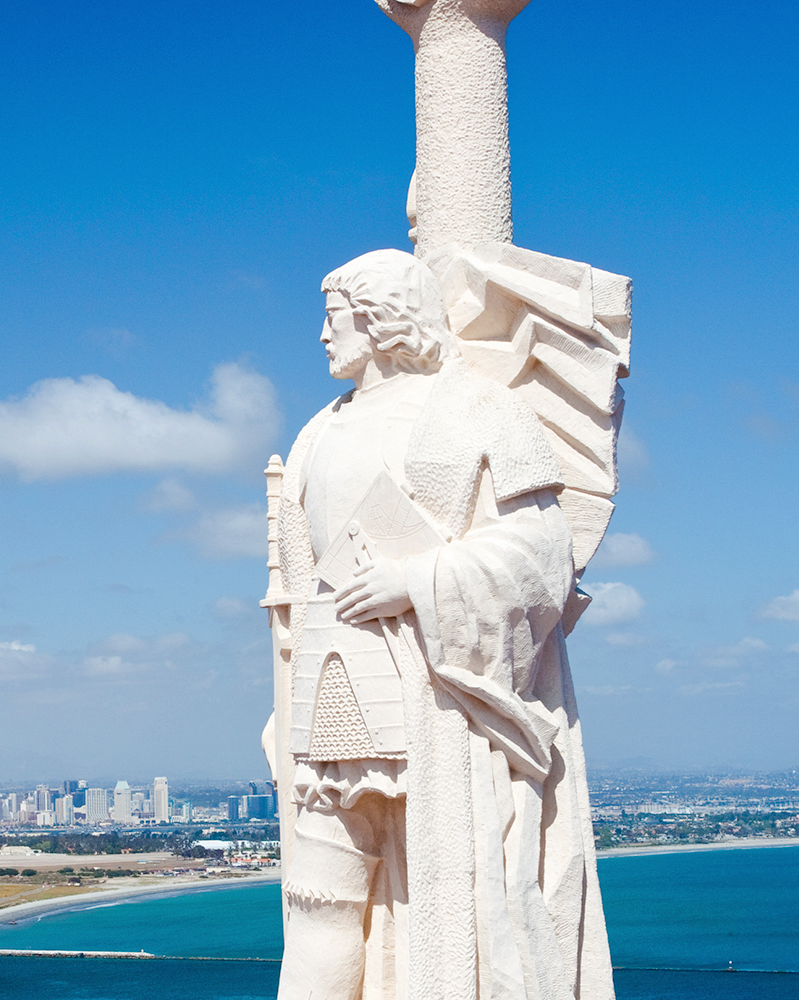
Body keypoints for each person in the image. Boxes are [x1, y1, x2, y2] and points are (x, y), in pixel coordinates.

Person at [265, 249, 613, 1000]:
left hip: (435, 701)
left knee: (448, 904)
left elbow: (540, 556)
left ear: (380, 318)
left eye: (333, 319)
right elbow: (296, 586)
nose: (322, 338)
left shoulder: (474, 409)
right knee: (315, 902)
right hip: (329, 697)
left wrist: (416, 580)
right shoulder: (313, 435)